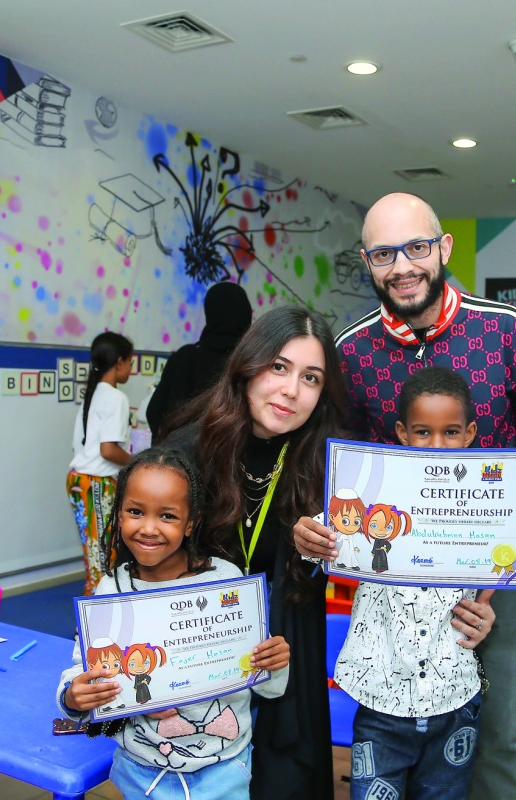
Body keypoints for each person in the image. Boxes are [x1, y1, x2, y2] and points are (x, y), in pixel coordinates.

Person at [293, 192, 516, 800]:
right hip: (395, 581)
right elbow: (336, 459)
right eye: (384, 254)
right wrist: (321, 521)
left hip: (495, 574)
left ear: (443, 248)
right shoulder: (351, 351)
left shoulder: (506, 330)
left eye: (416, 248)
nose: (402, 267)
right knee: (393, 729)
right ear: (368, 262)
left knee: (494, 738)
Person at [334, 366, 516, 800]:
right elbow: (330, 533)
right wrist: (309, 535)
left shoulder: (489, 504)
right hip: (382, 701)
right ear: (402, 433)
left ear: (471, 433)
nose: (437, 445)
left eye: (451, 432)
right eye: (423, 432)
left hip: (453, 696)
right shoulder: (374, 497)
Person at [159, 305, 347, 800]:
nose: (291, 390)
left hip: (286, 647)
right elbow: (139, 560)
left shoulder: (328, 462)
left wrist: (317, 550)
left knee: (283, 783)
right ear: (247, 366)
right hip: (200, 646)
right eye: (279, 367)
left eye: (311, 378)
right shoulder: (186, 451)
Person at [57, 447, 290, 800]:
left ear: (190, 522)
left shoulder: (225, 580)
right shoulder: (110, 592)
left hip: (225, 769)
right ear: (119, 514)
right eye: (136, 511)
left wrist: (276, 661)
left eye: (167, 515)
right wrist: (74, 697)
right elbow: (84, 672)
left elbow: (268, 685)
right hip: (139, 772)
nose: (149, 528)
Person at [67, 331, 134, 595]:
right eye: (130, 362)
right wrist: (137, 462)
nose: (131, 369)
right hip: (96, 483)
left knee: (95, 554)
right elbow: (108, 451)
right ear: (119, 362)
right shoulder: (116, 397)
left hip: (79, 479)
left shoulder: (93, 394)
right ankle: (95, 613)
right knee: (103, 558)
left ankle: (94, 608)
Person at [147, 281, 253, 438]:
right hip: (231, 451)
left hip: (180, 450)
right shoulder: (250, 364)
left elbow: (155, 411)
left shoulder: (185, 357)